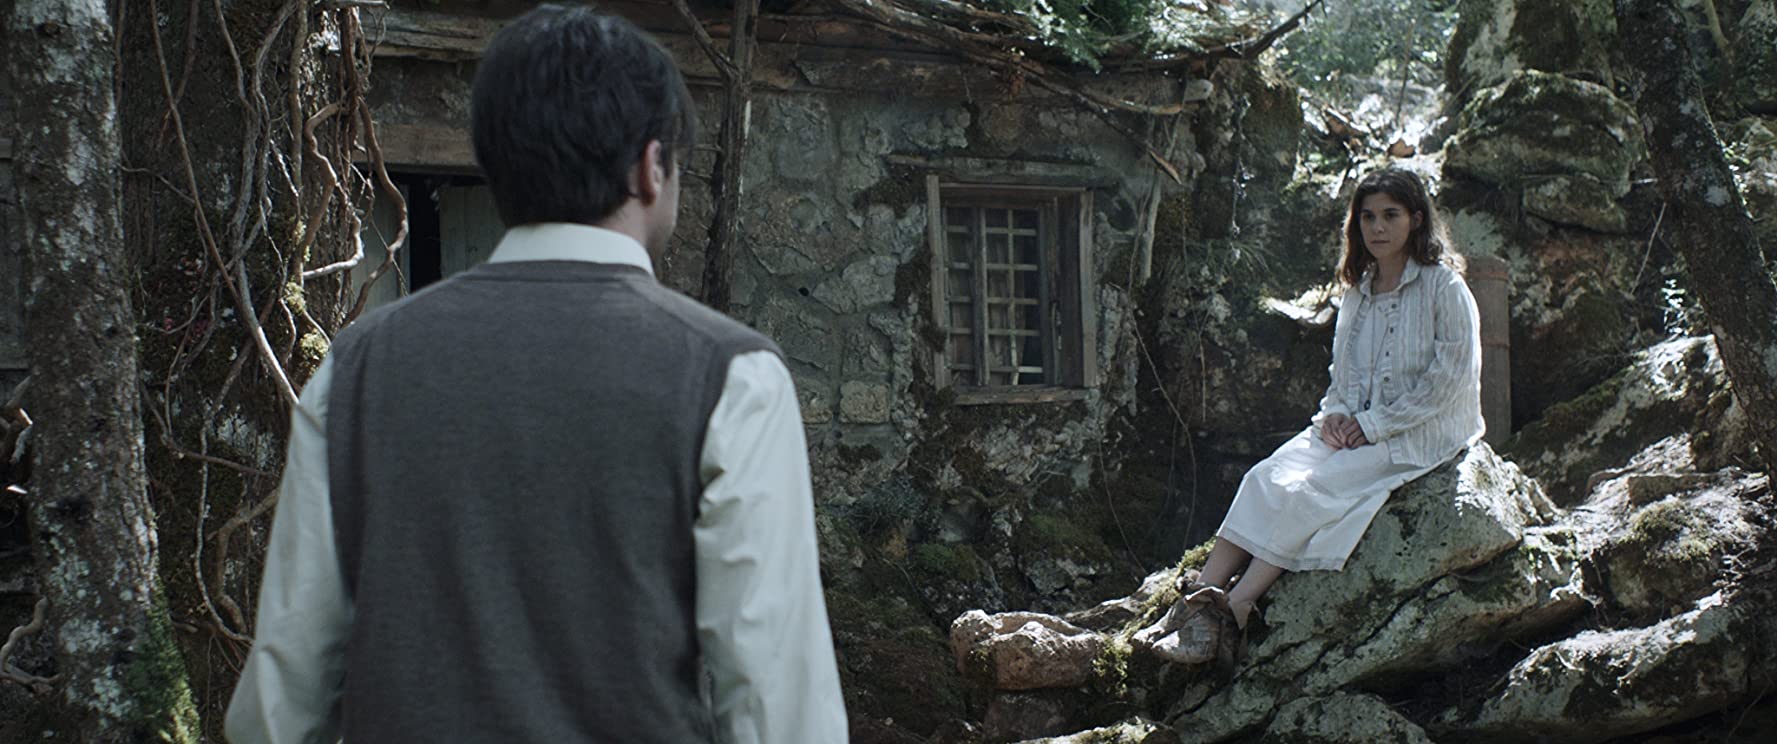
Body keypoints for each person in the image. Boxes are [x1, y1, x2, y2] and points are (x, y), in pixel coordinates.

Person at [224, 6, 848, 742]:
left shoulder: (358, 368)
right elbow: (779, 707)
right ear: (651, 167)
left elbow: (280, 703)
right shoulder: (731, 377)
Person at [1134, 168, 1483, 664]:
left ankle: (1236, 607)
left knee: (1312, 491)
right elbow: (1344, 372)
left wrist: (1373, 426)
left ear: (1417, 219)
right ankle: (1193, 605)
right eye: (1368, 217)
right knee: (1264, 478)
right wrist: (1339, 415)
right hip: (1356, 424)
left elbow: (1449, 379)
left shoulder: (1444, 287)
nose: (1378, 227)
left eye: (1390, 215)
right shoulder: (1359, 291)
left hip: (1420, 431)